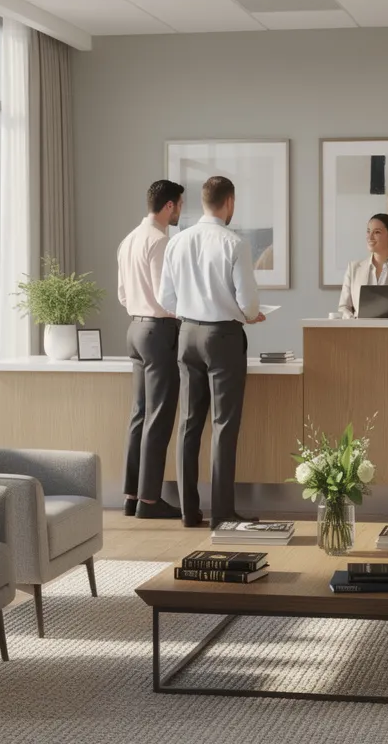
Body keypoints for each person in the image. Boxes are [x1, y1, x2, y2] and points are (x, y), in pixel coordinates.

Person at [158, 176, 266, 528]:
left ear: (203, 202)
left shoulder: (177, 241)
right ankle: (221, 512)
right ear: (229, 202)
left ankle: (189, 511)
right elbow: (248, 303)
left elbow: (165, 299)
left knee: (188, 424)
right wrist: (251, 315)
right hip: (223, 338)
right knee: (223, 425)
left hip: (186, 334)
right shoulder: (235, 243)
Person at [117, 180, 185, 520]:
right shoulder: (160, 242)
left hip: (135, 329)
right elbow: (165, 297)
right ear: (169, 206)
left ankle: (132, 496)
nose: (180, 211)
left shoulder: (129, 239)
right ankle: (151, 501)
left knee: (140, 414)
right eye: (180, 205)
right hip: (158, 332)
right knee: (158, 415)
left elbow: (123, 294)